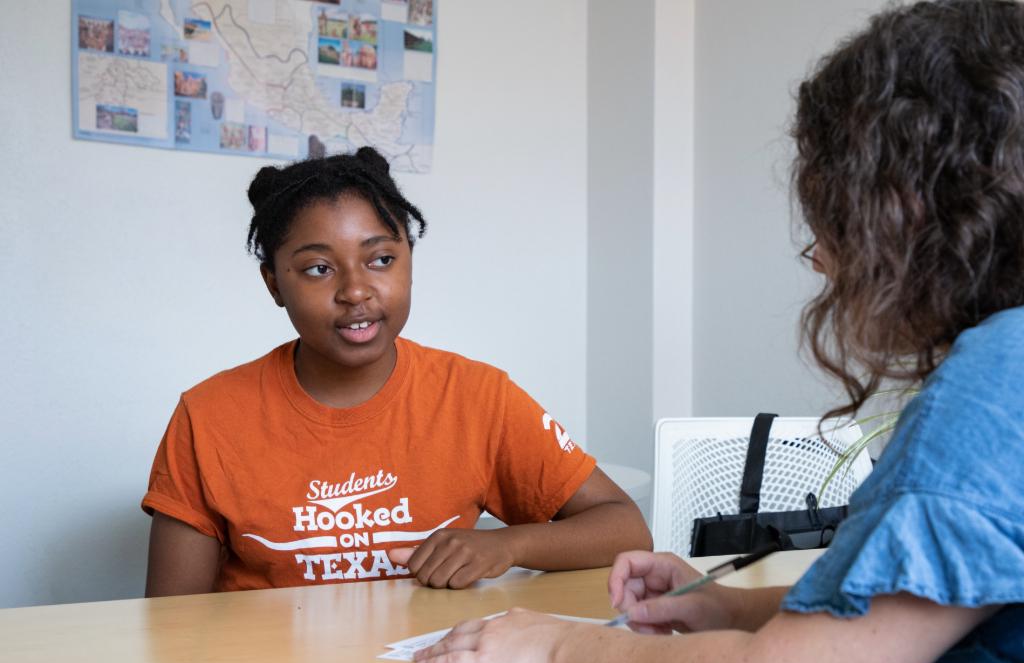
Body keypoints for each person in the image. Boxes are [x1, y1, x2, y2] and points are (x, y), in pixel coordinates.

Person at [411, 1, 1024, 663]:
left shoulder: (1021, 379)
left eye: (830, 219)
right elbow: (937, 602)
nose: (822, 259)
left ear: (899, 210)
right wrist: (727, 609)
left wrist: (551, 647)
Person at [142, 147, 650, 595]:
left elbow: (625, 527)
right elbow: (172, 623)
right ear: (274, 284)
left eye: (381, 259)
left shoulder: (477, 397)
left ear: (409, 261)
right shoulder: (208, 416)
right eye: (319, 268)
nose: (356, 291)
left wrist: (509, 545)